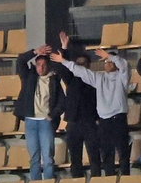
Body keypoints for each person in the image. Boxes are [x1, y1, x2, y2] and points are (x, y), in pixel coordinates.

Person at [56, 44, 131, 174]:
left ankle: (125, 182)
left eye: (110, 62)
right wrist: (63, 61)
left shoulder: (122, 77)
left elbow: (124, 65)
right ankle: (109, 182)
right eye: (106, 62)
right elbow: (80, 71)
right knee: (107, 155)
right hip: (104, 121)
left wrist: (109, 56)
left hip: (118, 119)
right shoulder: (99, 78)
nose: (107, 64)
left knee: (123, 153)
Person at [48, 34, 100, 177]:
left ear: (89, 65)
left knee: (94, 157)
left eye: (83, 64)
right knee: (75, 159)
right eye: (78, 64)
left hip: (90, 122)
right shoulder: (71, 79)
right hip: (74, 122)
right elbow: (63, 68)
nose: (80, 66)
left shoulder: (95, 80)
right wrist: (64, 48)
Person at [15, 44, 63, 180]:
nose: (40, 68)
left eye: (43, 65)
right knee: (34, 158)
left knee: (47, 157)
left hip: (45, 122)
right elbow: (20, 60)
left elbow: (62, 102)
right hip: (31, 121)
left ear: (48, 65)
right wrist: (35, 51)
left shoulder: (54, 80)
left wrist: (52, 115)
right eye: (38, 65)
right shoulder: (29, 77)